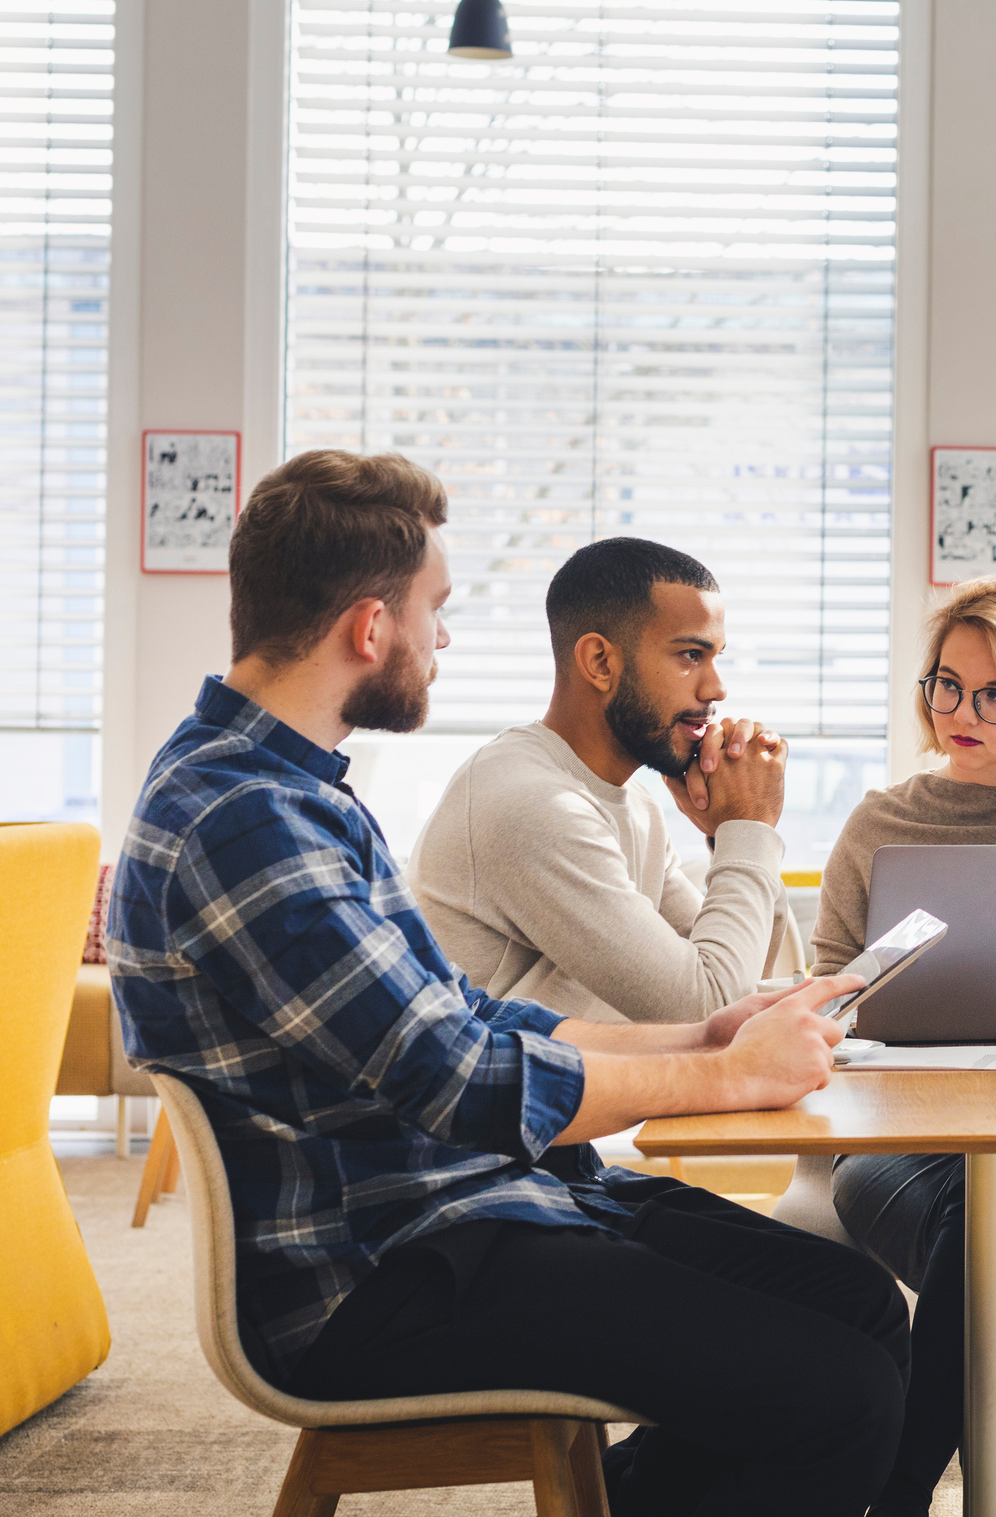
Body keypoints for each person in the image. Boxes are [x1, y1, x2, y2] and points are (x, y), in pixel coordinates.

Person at [105, 450, 910, 1517]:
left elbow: (463, 1013)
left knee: (853, 1299)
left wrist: (706, 1035)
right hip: (381, 1269)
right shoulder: (243, 817)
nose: (443, 638)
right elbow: (459, 1079)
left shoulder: (292, 792)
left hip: (457, 1203)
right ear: (367, 627)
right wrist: (723, 1078)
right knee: (841, 1393)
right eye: (434, 610)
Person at [772, 577, 996, 1517]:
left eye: (993, 694)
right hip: (900, 1142)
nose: (959, 713)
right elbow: (827, 998)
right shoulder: (878, 823)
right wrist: (852, 1005)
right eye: (944, 684)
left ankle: (899, 1493)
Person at [416, 536, 801, 1022]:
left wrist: (732, 832)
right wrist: (749, 827)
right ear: (600, 662)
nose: (716, 687)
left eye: (716, 656)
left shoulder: (633, 804)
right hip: (519, 1096)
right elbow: (705, 1009)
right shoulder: (532, 804)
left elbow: (740, 978)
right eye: (690, 655)